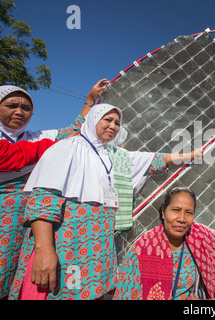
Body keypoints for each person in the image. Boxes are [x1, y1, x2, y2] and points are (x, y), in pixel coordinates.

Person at [8, 104, 201, 300]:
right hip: (66, 247)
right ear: (92, 120)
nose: (113, 126)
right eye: (107, 120)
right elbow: (44, 202)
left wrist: (190, 156)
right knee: (58, 291)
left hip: (93, 253)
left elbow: (153, 160)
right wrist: (44, 250)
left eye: (117, 123)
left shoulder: (113, 156)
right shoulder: (67, 148)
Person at [0, 79, 107, 299]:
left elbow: (74, 132)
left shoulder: (34, 137)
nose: (20, 111)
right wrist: (53, 146)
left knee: (18, 272)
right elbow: (9, 157)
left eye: (26, 107)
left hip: (29, 221)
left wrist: (89, 101)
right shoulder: (41, 142)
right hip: (5, 219)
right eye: (12, 105)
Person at [113, 187, 215, 300]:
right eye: (176, 210)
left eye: (188, 212)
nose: (182, 219)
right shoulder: (141, 249)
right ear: (163, 212)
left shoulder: (202, 241)